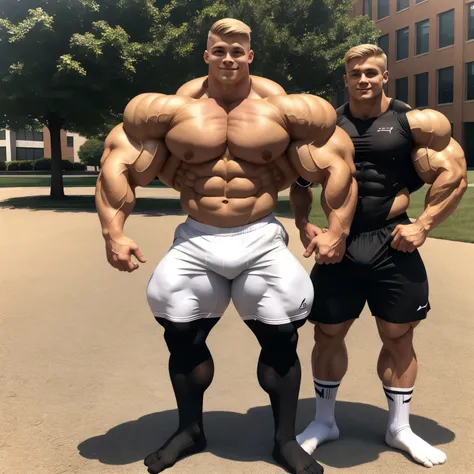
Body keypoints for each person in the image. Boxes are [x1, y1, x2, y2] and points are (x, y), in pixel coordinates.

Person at [95, 18, 357, 474]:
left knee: (281, 337)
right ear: (207, 55)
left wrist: (336, 229)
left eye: (238, 50)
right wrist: (112, 233)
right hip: (198, 236)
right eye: (220, 50)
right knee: (180, 332)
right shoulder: (171, 109)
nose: (229, 58)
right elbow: (118, 162)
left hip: (259, 235)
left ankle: (284, 440)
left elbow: (336, 163)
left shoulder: (282, 107)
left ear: (251, 55)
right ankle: (190, 430)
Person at [291, 44, 468, 469]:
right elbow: (299, 182)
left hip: (394, 240)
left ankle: (400, 427)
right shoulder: (326, 125)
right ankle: (325, 421)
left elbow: (454, 175)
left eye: (371, 72)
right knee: (327, 334)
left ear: (385, 76)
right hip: (340, 243)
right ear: (346, 79)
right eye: (355, 73)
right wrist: (302, 224)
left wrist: (422, 224)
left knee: (398, 336)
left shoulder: (412, 122)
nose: (364, 79)